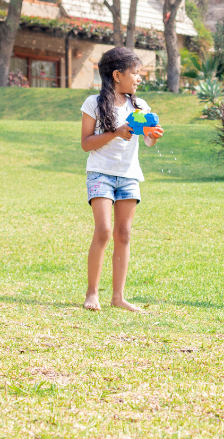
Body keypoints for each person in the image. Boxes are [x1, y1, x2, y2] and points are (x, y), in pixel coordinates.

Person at [80, 47, 163, 313]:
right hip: (100, 173)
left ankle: (118, 296)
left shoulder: (139, 106)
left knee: (123, 234)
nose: (139, 78)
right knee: (104, 231)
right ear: (117, 75)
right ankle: (92, 293)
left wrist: (154, 136)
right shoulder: (93, 103)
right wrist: (115, 132)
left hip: (128, 176)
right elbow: (86, 144)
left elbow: (148, 141)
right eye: (135, 73)